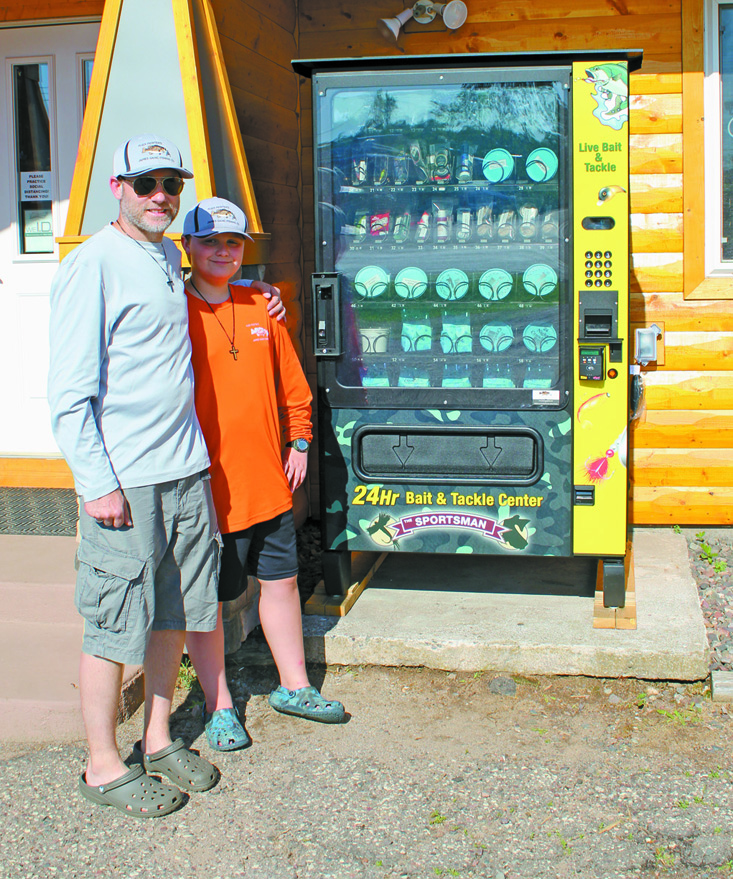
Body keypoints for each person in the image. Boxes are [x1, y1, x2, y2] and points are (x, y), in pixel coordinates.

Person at [48, 135, 284, 817]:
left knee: (172, 614)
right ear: (117, 187)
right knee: (113, 621)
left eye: (170, 184)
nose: (160, 195)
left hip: (185, 471)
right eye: (146, 182)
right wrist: (96, 481)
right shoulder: (93, 264)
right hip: (126, 480)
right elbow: (67, 391)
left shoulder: (162, 260)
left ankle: (156, 738)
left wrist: (260, 293)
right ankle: (101, 764)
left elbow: (215, 293)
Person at [182, 197, 345, 752]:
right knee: (210, 602)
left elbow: (293, 385)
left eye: (233, 243)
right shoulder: (170, 307)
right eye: (210, 241)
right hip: (203, 491)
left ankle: (294, 686)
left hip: (267, 481)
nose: (222, 252)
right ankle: (219, 704)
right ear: (188, 245)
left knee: (281, 583)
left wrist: (299, 440)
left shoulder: (261, 305)